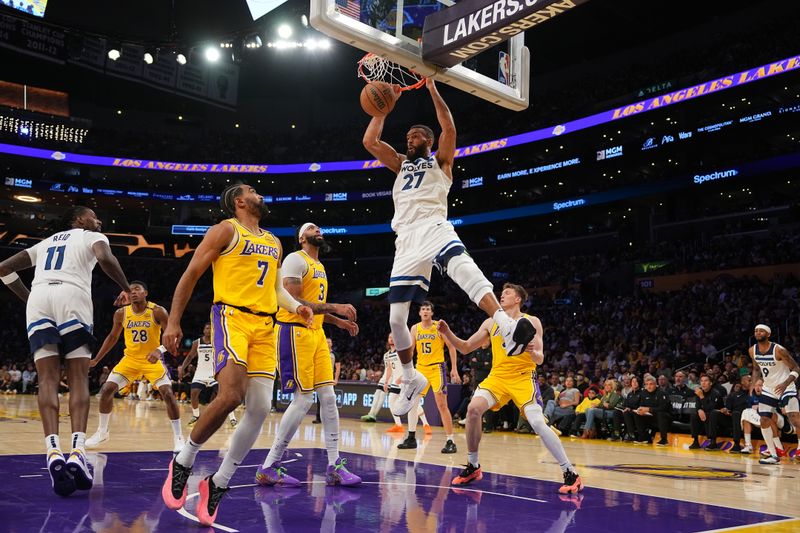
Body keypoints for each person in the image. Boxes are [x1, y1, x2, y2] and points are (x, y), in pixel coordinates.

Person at [362, 79, 536, 417]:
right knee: (397, 319)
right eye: (408, 136)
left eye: (415, 136)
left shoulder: (441, 162)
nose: (409, 139)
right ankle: (410, 379)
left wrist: (431, 88)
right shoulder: (400, 163)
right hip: (406, 238)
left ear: (427, 141)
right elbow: (370, 140)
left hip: (434, 224)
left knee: (461, 264)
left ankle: (504, 322)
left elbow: (449, 127)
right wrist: (385, 107)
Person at [160, 183, 313, 526]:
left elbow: (274, 288)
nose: (261, 195)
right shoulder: (226, 229)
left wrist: (297, 306)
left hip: (266, 326)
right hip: (231, 317)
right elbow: (191, 273)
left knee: (259, 408)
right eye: (253, 191)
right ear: (239, 201)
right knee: (231, 395)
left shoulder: (273, 241)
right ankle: (183, 460)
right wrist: (173, 321)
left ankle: (218, 482)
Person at [0, 206, 130, 496]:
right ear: (79, 220)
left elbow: (3, 268)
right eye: (94, 216)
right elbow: (104, 258)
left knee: (46, 380)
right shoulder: (90, 236)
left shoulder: (45, 243)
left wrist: (30, 298)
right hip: (72, 297)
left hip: (40, 299)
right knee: (78, 379)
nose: (99, 220)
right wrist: (126, 286)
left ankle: (52, 452)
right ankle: (77, 452)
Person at [437, 283, 583, 494]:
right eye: (501, 293)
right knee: (473, 409)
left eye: (506, 293)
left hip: (523, 377)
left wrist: (533, 352)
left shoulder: (531, 322)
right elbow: (466, 347)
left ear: (518, 299)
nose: (501, 296)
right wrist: (448, 332)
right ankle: (473, 466)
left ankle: (570, 472)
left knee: (537, 423)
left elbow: (540, 359)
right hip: (498, 377)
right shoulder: (491, 322)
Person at [256, 222, 361, 488]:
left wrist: (338, 322)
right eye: (312, 228)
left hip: (315, 334)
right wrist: (336, 306)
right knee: (302, 401)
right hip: (293, 331)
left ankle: (334, 465)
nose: (318, 230)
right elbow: (295, 302)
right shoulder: (294, 259)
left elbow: (316, 307)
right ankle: (270, 465)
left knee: (328, 397)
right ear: (302, 238)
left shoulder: (321, 267)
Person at [87, 281, 184, 452]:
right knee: (107, 390)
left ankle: (178, 437)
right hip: (130, 360)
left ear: (145, 293)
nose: (133, 293)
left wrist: (159, 350)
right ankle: (102, 432)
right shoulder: (121, 313)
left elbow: (175, 336)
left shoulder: (157, 311)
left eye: (137, 289)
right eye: (130, 290)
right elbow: (112, 337)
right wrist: (96, 360)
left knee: (168, 394)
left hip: (151, 361)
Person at [398, 301, 459, 453]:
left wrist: (454, 369)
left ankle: (450, 440)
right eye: (423, 309)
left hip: (437, 368)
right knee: (412, 403)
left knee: (442, 405)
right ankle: (411, 438)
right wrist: (405, 371)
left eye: (428, 309)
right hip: (420, 369)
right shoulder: (415, 328)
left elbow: (452, 347)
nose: (425, 311)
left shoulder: (439, 326)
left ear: (432, 313)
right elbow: (411, 350)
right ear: (419, 313)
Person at [748, 324, 799, 464]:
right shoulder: (752, 350)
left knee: (795, 420)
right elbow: (757, 369)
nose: (758, 332)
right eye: (756, 330)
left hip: (786, 386)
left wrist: (785, 383)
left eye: (761, 331)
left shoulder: (779, 350)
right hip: (768, 388)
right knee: (764, 419)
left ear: (768, 334)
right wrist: (753, 384)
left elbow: (796, 368)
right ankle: (773, 454)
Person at [178, 322, 238, 429]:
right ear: (203, 330)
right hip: (200, 372)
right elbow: (190, 356)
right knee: (194, 393)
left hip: (214, 372)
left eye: (210, 328)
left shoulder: (218, 342)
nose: (208, 330)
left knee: (224, 395)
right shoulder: (197, 342)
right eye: (207, 328)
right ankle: (196, 416)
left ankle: (233, 419)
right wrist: (182, 368)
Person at [361, 334, 405, 429]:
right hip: (387, 376)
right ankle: (372, 414)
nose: (391, 339)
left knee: (391, 400)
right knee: (378, 393)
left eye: (393, 337)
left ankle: (398, 423)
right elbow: (388, 368)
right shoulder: (386, 355)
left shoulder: (401, 352)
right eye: (389, 337)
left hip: (398, 378)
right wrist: (384, 379)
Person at [688, 375, 724, 450]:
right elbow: (697, 406)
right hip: (704, 415)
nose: (703, 383)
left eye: (706, 381)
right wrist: (699, 410)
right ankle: (695, 441)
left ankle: (713, 441)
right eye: (702, 381)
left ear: (710, 383)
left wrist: (702, 396)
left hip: (718, 417)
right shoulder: (699, 391)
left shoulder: (715, 393)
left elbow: (711, 408)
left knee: (710, 414)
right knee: (694, 415)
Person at [314, 338, 342, 424]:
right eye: (326, 342)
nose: (327, 343)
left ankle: (329, 418)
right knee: (319, 398)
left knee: (329, 398)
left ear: (332, 344)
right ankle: (318, 417)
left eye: (329, 342)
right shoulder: (320, 353)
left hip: (330, 377)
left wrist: (336, 378)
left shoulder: (335, 354)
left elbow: (338, 367)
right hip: (321, 377)